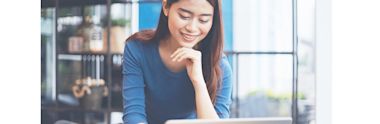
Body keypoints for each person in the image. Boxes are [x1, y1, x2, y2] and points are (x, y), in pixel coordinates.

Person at [122, 0, 232, 123]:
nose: (192, 28)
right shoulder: (137, 49)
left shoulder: (219, 66)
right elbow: (134, 115)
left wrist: (198, 82)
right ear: (166, 7)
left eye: (203, 20)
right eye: (184, 16)